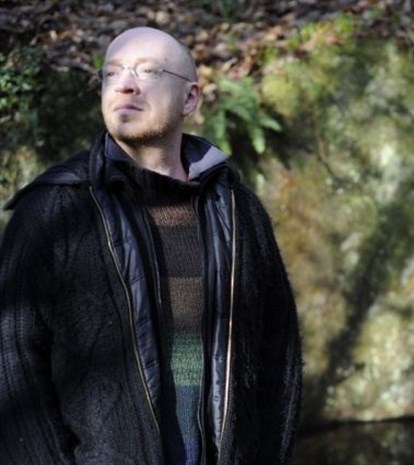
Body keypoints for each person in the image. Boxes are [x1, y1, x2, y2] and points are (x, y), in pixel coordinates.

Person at [0, 27, 302, 465]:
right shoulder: (54, 210)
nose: (125, 84)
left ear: (190, 99)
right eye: (112, 73)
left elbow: (280, 354)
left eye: (148, 71)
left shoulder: (238, 210)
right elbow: (12, 362)